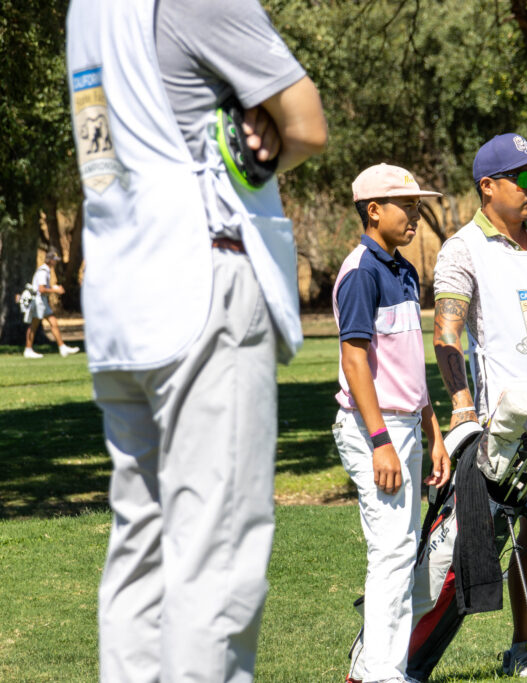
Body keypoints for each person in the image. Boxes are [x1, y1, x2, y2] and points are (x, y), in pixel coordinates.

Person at [65, 0, 326, 680]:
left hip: (122, 297)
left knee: (138, 553)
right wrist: (263, 137)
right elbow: (307, 124)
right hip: (200, 282)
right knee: (216, 560)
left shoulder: (85, 12)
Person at [433, 133, 527, 677]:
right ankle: (407, 641)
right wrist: (462, 404)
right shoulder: (461, 249)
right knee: (491, 533)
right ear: (487, 186)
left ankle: (526, 646)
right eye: (523, 178)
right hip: (505, 413)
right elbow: (447, 332)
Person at [333, 163, 451, 683]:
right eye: (407, 206)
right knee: (392, 551)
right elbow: (355, 361)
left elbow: (409, 364)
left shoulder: (403, 270)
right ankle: (382, 673)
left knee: (401, 551)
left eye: (419, 206)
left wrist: (434, 432)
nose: (416, 215)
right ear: (373, 210)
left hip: (405, 426)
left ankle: (375, 667)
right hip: (373, 429)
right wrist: (381, 440)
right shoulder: (361, 270)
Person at [22, 250, 79, 359]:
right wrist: (55, 290)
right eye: (54, 260)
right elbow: (42, 289)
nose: (55, 262)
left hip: (42, 301)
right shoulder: (43, 271)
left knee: (53, 323)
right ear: (50, 260)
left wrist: (53, 288)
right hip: (39, 301)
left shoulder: (45, 270)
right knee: (34, 325)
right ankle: (28, 349)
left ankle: (62, 347)